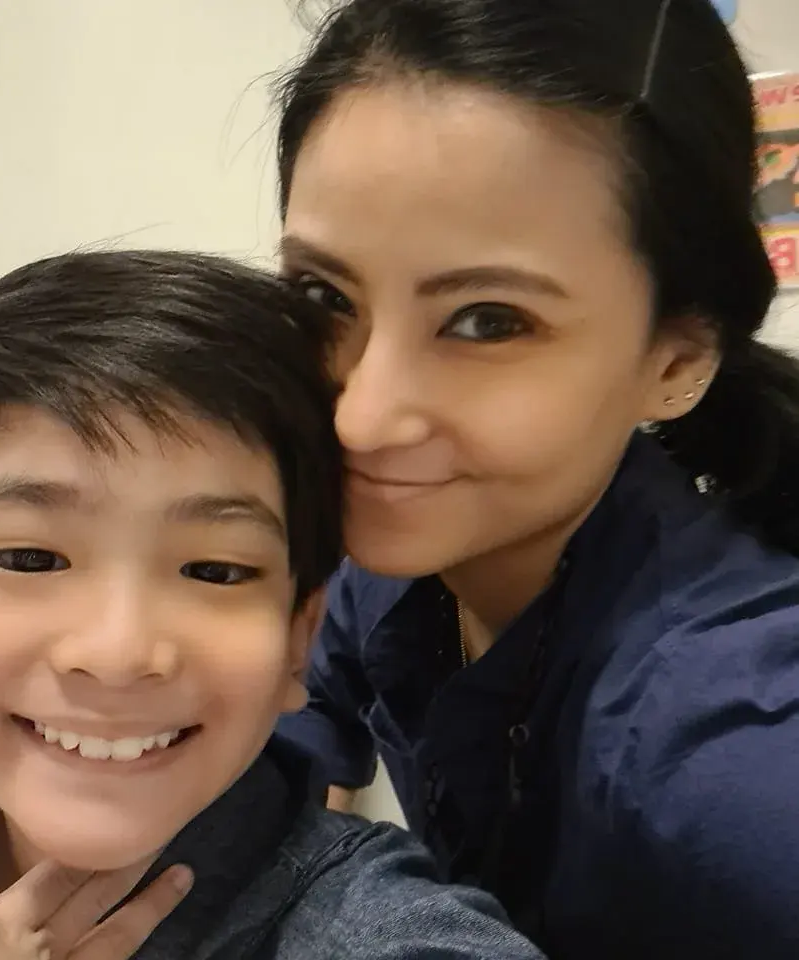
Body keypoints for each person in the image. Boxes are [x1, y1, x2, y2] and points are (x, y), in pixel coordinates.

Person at [272, 0, 799, 957]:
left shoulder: (723, 743)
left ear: (678, 358)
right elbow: (282, 726)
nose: (360, 418)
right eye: (323, 295)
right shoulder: (393, 560)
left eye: (488, 321)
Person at [0, 250, 543, 960]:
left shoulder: (370, 928)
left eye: (214, 570)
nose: (118, 654)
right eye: (30, 559)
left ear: (298, 641)